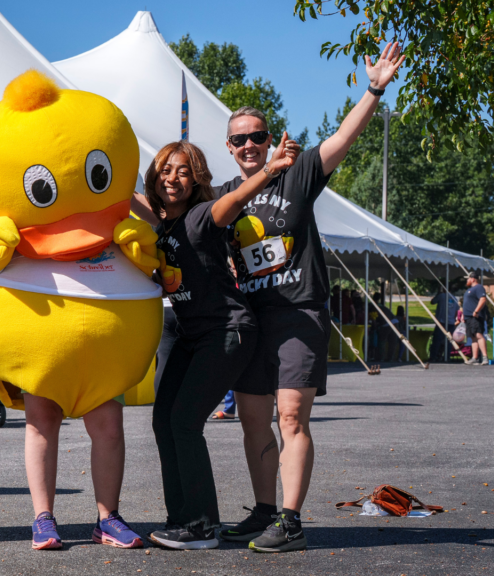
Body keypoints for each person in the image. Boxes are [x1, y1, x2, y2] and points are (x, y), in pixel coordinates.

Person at [217, 42, 405, 553]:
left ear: (269, 138)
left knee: (291, 417)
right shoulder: (226, 195)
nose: (250, 145)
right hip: (251, 322)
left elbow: (343, 137)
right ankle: (263, 512)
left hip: (298, 315)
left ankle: (291, 520)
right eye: (240, 139)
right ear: (229, 147)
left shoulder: (297, 174)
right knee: (253, 421)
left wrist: (373, 90)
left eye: (257, 136)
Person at [146, 135, 298, 550]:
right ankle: (181, 518)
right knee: (163, 421)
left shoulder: (201, 215)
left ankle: (200, 528)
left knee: (184, 421)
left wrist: (270, 169)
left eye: (183, 172)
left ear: (196, 181)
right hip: (191, 334)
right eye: (165, 170)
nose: (172, 178)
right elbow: (127, 198)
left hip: (227, 331)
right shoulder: (163, 224)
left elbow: (233, 201)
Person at [462, 271, 489, 365]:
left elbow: (483, 299)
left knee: (478, 335)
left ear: (473, 279)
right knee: (473, 337)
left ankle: (485, 357)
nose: (467, 280)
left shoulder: (479, 287)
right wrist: (463, 315)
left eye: (468, 279)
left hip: (475, 316)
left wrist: (476, 311)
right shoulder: (469, 290)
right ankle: (475, 357)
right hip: (468, 317)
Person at [429, 288, 459, 363]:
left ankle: (433, 357)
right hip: (451, 322)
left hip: (442, 321)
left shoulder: (442, 296)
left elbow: (432, 302)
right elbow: (456, 312)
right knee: (449, 341)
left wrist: (438, 293)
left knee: (437, 340)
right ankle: (447, 357)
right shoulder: (454, 298)